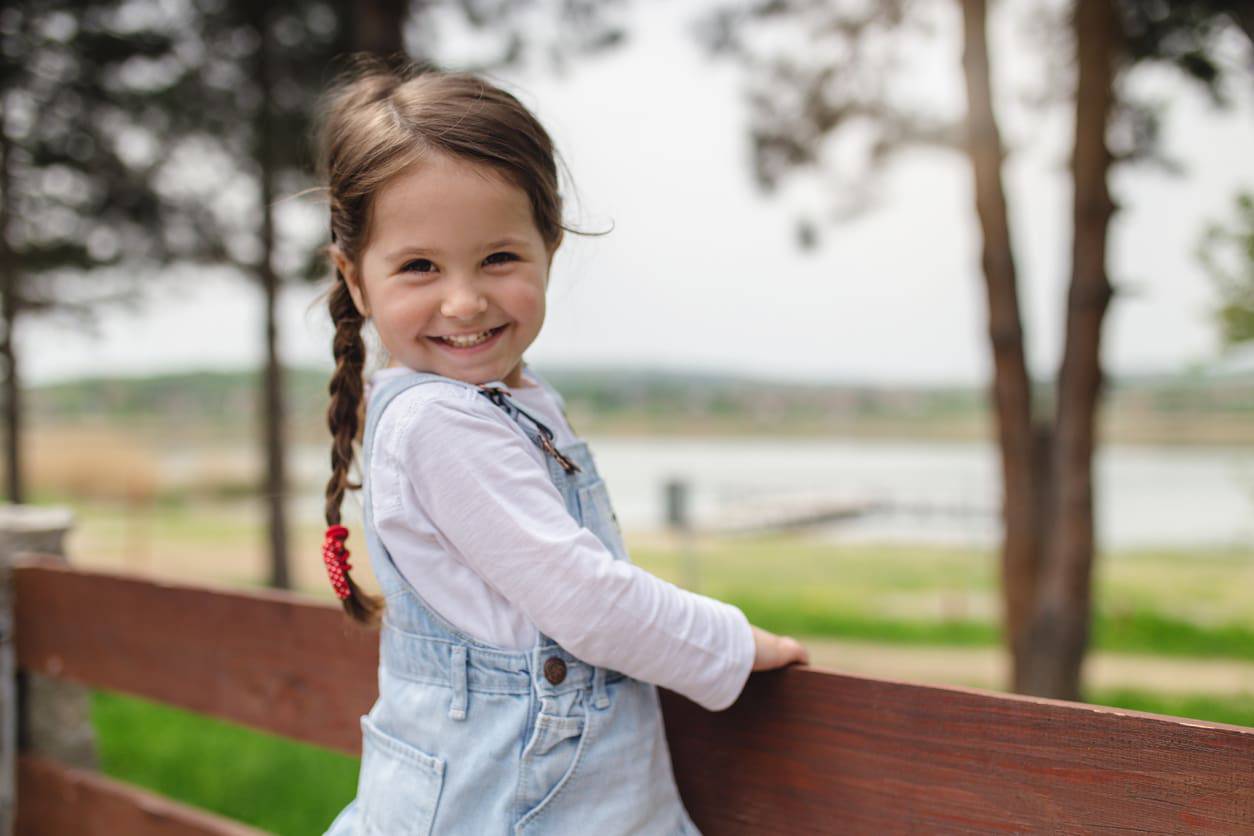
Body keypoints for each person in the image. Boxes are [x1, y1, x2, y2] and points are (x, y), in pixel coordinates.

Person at [316, 57, 809, 836]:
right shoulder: (441, 424)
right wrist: (735, 643)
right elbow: (584, 600)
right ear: (355, 276)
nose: (464, 299)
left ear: (550, 244)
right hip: (513, 808)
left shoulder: (504, 403)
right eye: (419, 267)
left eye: (499, 258)